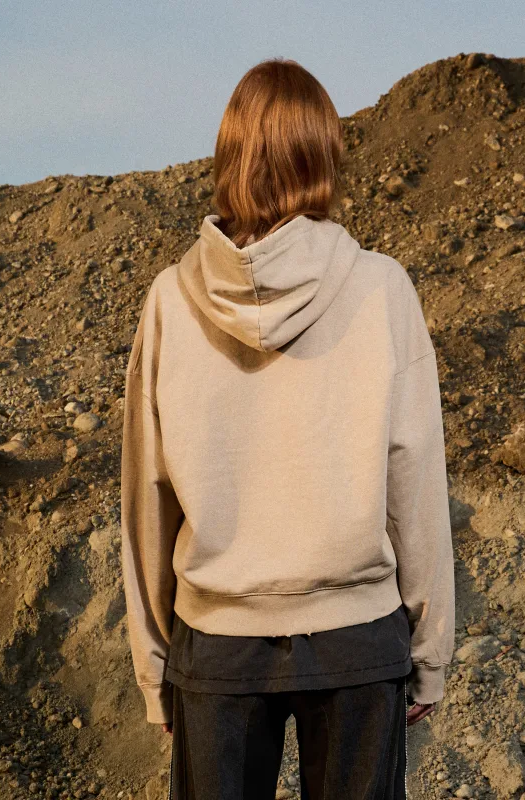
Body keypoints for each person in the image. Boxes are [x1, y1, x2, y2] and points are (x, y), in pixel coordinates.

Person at [120, 57, 455, 799]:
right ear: (323, 156)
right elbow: (415, 482)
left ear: (230, 155)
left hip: (217, 647)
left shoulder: (170, 301)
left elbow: (147, 497)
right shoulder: (382, 289)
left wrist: (156, 668)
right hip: (358, 641)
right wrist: (430, 653)